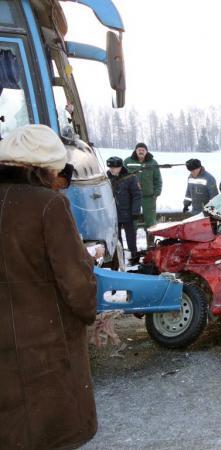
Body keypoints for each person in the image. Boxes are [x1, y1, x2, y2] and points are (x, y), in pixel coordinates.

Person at [0, 125, 98, 449]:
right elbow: (76, 281)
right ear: (44, 166)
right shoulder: (48, 205)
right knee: (50, 434)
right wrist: (88, 312)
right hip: (46, 347)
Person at [123, 142, 162, 247]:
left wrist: (156, 193)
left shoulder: (153, 163)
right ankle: (133, 248)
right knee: (132, 222)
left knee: (151, 223)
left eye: (143, 150)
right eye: (139, 149)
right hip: (132, 198)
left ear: (146, 151)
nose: (141, 151)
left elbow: (158, 179)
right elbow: (122, 178)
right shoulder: (127, 162)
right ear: (135, 151)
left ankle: (151, 247)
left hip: (149, 198)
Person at [107, 156, 142, 260]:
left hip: (128, 213)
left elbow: (137, 195)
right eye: (110, 168)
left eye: (114, 168)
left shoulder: (130, 177)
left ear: (120, 167)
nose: (111, 170)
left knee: (131, 236)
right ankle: (119, 257)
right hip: (114, 214)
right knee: (116, 238)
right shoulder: (107, 177)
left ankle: (134, 256)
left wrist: (135, 211)